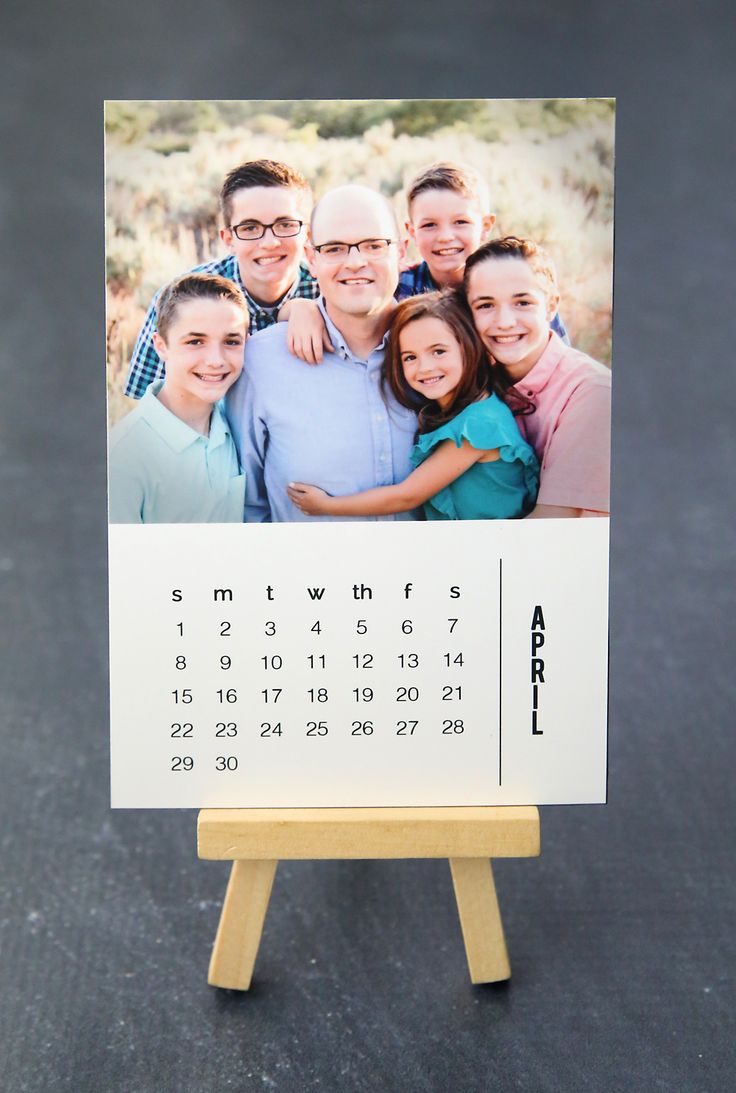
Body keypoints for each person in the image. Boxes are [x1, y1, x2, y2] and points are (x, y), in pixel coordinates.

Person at [226, 185, 418, 522]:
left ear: (401, 250)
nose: (356, 262)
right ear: (312, 259)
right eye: (335, 249)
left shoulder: (440, 355)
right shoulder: (261, 362)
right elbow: (246, 507)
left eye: (374, 245)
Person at [287, 291, 538, 520]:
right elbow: (284, 311)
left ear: (468, 348)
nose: (425, 367)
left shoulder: (482, 422)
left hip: (492, 556)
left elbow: (407, 496)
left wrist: (326, 506)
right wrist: (301, 307)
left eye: (438, 351)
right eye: (410, 357)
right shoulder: (447, 412)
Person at [284, 160, 567, 363]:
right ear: (411, 232)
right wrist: (300, 308)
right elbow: (341, 308)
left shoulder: (512, 285)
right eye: (430, 225)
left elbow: (557, 354)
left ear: (486, 225)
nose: (445, 237)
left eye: (460, 222)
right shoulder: (400, 286)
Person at [124, 159, 318, 399]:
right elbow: (145, 406)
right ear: (228, 239)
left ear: (307, 234)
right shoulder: (181, 299)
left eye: (285, 224)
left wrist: (308, 308)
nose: (269, 243)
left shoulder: (327, 293)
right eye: (249, 228)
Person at [464, 236, 611, 517]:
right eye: (485, 305)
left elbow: (551, 527)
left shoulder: (592, 393)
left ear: (552, 305)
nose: (505, 322)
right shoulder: (478, 382)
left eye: (522, 303)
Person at [109, 274, 247, 523]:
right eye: (195, 341)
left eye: (231, 341)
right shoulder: (123, 456)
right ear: (161, 346)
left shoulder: (234, 424)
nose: (216, 360)